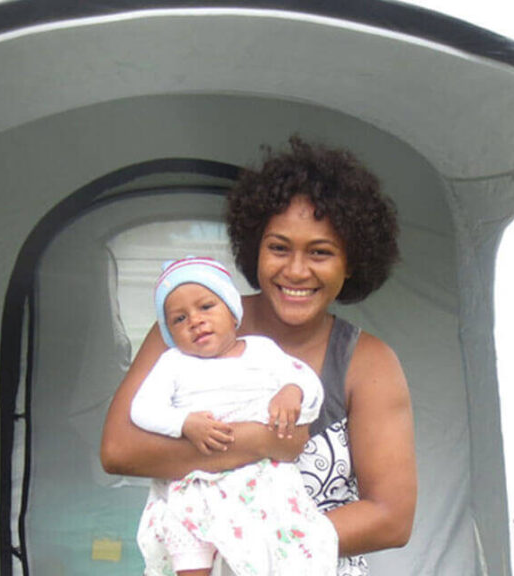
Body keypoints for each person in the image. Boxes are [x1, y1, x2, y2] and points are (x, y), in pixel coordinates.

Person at [101, 136, 417, 576]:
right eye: (279, 247)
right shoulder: (188, 328)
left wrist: (261, 549)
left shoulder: (369, 363)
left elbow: (391, 517)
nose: (296, 270)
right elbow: (119, 449)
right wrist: (262, 441)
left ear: (352, 262)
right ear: (253, 249)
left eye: (321, 252)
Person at [131, 256, 338, 576]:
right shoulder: (173, 363)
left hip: (260, 479)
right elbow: (142, 409)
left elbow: (307, 381)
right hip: (196, 482)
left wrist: (291, 391)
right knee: (187, 542)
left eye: (206, 307)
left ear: (232, 312)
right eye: (179, 318)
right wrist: (183, 423)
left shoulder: (262, 350)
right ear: (170, 332)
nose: (195, 321)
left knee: (276, 550)